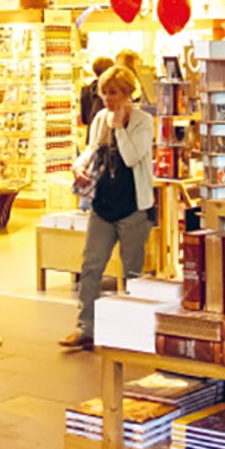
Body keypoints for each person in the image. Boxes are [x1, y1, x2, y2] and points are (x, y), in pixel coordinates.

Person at [60, 65, 155, 351]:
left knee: (132, 273)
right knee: (91, 266)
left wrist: (119, 129)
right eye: (104, 93)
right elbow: (92, 150)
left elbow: (131, 157)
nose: (108, 99)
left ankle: (132, 330)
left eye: (114, 92)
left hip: (133, 209)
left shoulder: (142, 121)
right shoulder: (100, 118)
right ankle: (85, 328)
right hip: (102, 206)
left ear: (127, 93)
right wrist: (78, 165)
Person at [79, 56, 113, 141]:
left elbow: (84, 120)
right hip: (106, 139)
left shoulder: (85, 90)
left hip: (91, 137)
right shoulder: (112, 91)